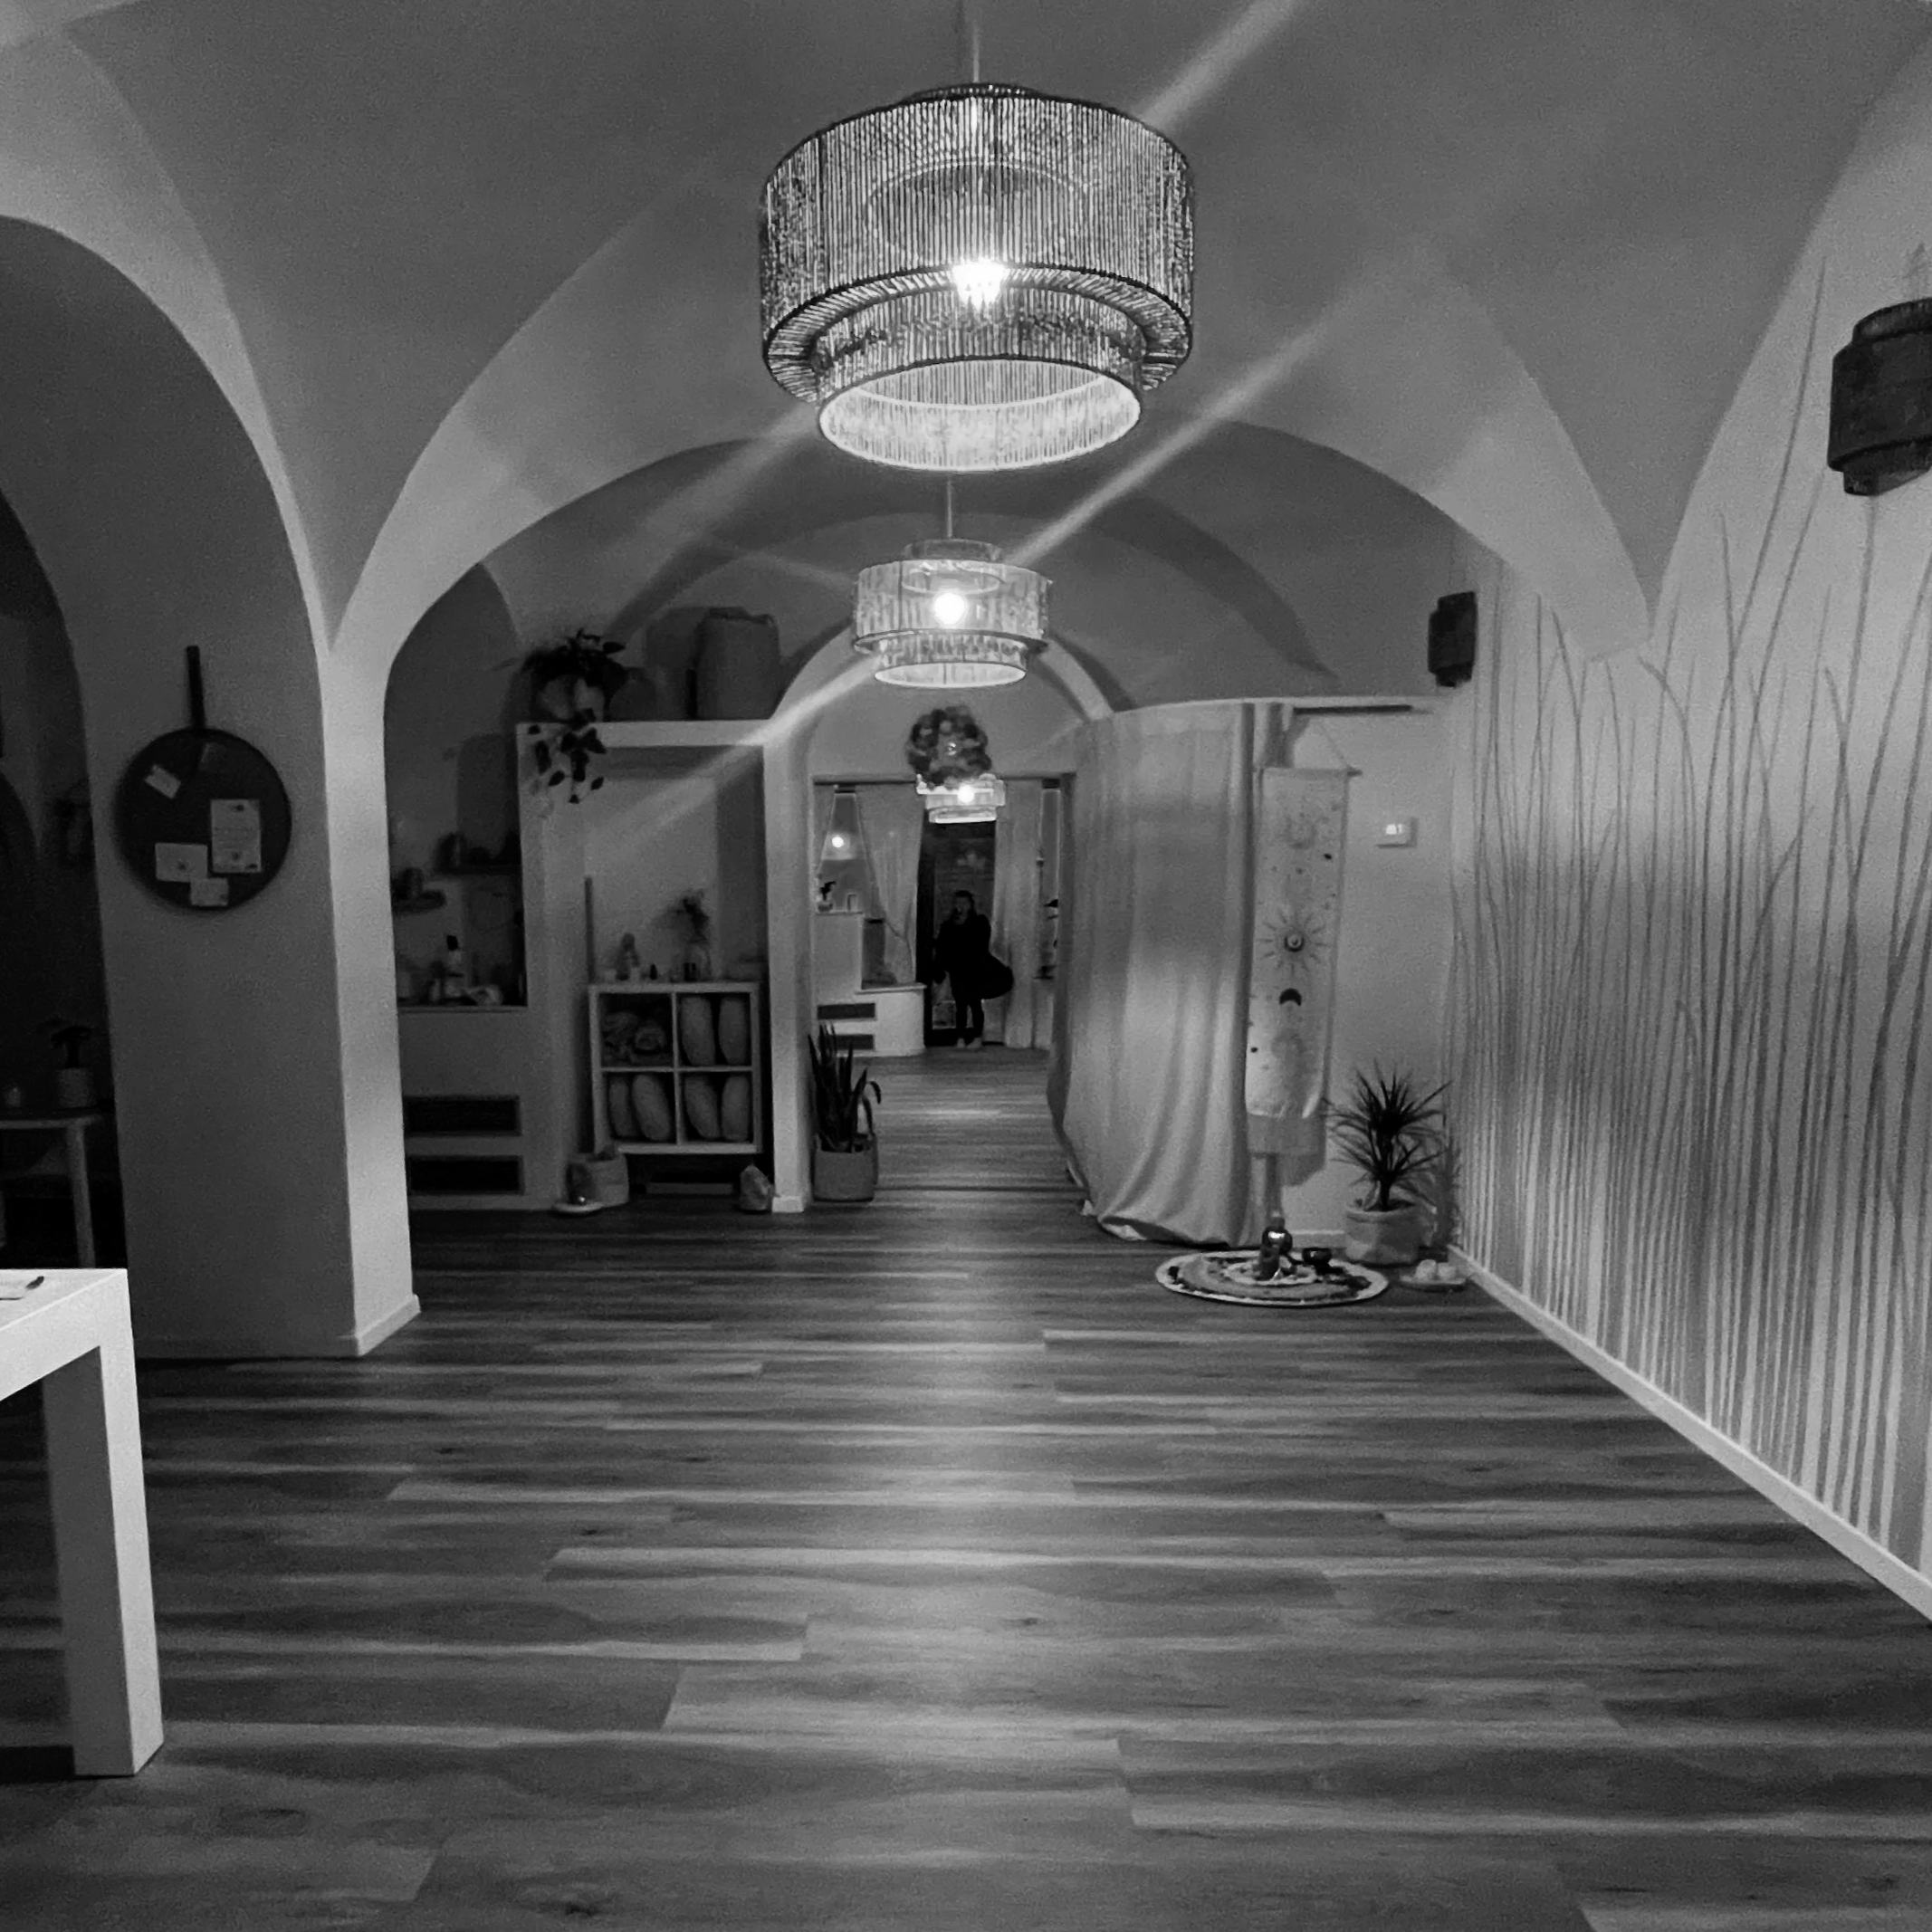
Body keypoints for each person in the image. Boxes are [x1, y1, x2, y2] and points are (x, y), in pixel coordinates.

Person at [932, 889, 994, 1048]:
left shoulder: (979, 922)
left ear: (971, 904)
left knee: (975, 1003)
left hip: (974, 968)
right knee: (960, 1004)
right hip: (957, 969)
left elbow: (982, 943)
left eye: (964, 903)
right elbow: (942, 946)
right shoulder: (949, 924)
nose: (961, 906)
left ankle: (977, 1036)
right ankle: (960, 1036)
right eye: (958, 903)